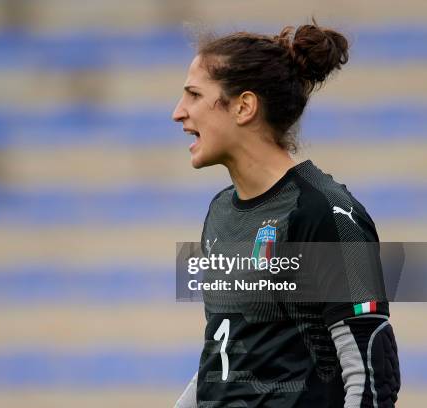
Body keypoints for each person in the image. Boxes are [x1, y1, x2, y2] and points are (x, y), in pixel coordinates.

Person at [171, 20, 400, 407]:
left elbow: (372, 376)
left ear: (244, 106)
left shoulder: (328, 214)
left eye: (194, 95)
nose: (179, 113)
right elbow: (225, 355)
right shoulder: (220, 211)